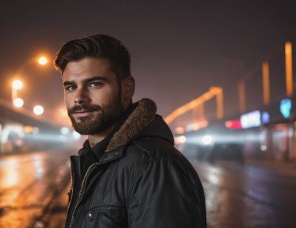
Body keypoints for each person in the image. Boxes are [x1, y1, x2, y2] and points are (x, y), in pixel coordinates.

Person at [54, 34, 206, 228]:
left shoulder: (155, 165)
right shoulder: (95, 160)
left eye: (95, 84)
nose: (79, 97)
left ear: (127, 89)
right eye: (71, 87)